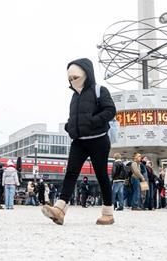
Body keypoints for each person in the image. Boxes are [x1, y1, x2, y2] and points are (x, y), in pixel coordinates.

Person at [41, 58, 117, 226]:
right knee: (71, 173)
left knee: (101, 175)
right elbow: (74, 118)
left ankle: (108, 213)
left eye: (75, 77)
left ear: (86, 74)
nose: (72, 81)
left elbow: (110, 110)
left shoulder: (99, 90)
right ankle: (60, 210)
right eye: (70, 78)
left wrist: (92, 122)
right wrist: (69, 127)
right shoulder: (74, 96)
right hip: (79, 141)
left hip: (98, 139)